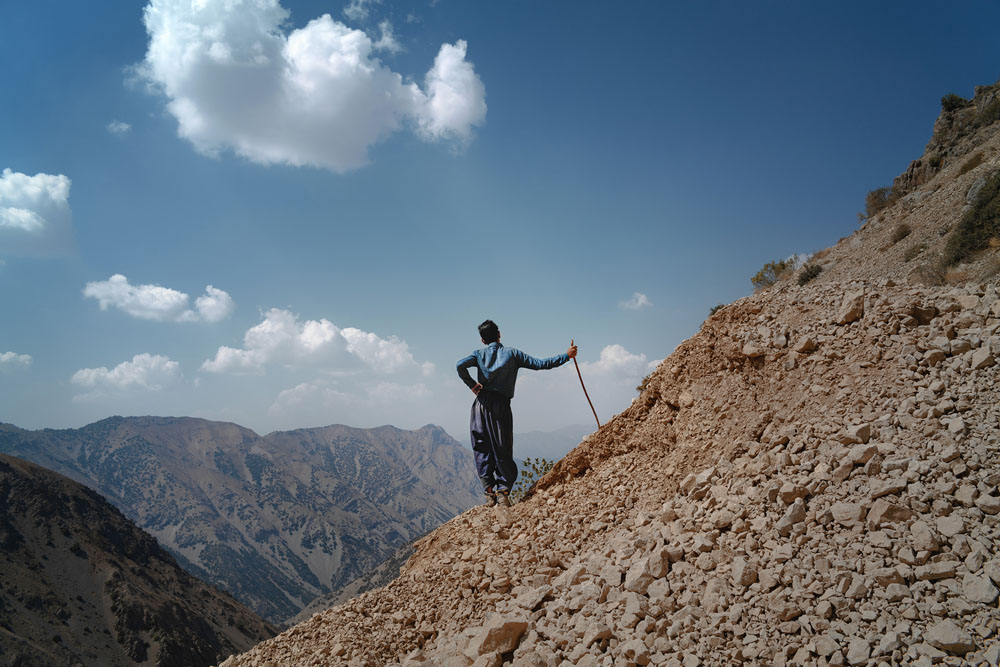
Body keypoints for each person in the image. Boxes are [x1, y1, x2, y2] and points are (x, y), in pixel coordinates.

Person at [456, 320, 578, 507]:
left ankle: (489, 492)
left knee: (481, 445)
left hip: (480, 405)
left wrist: (472, 385)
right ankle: (503, 493)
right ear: (499, 334)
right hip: (500, 406)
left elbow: (459, 366)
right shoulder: (512, 354)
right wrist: (566, 356)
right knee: (502, 447)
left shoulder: (478, 354)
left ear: (482, 340)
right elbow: (540, 364)